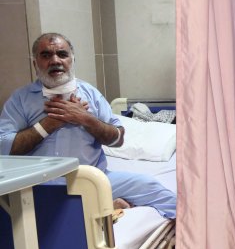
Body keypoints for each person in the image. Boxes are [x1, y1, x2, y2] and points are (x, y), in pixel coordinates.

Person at [0, 33, 176, 219]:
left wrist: (86, 119)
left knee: (152, 188)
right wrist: (48, 125)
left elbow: (117, 138)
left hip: (92, 180)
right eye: (46, 55)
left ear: (72, 60)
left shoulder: (91, 94)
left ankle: (193, 238)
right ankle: (102, 205)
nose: (55, 60)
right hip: (39, 186)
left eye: (62, 54)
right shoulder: (21, 99)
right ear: (35, 64)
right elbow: (4, 147)